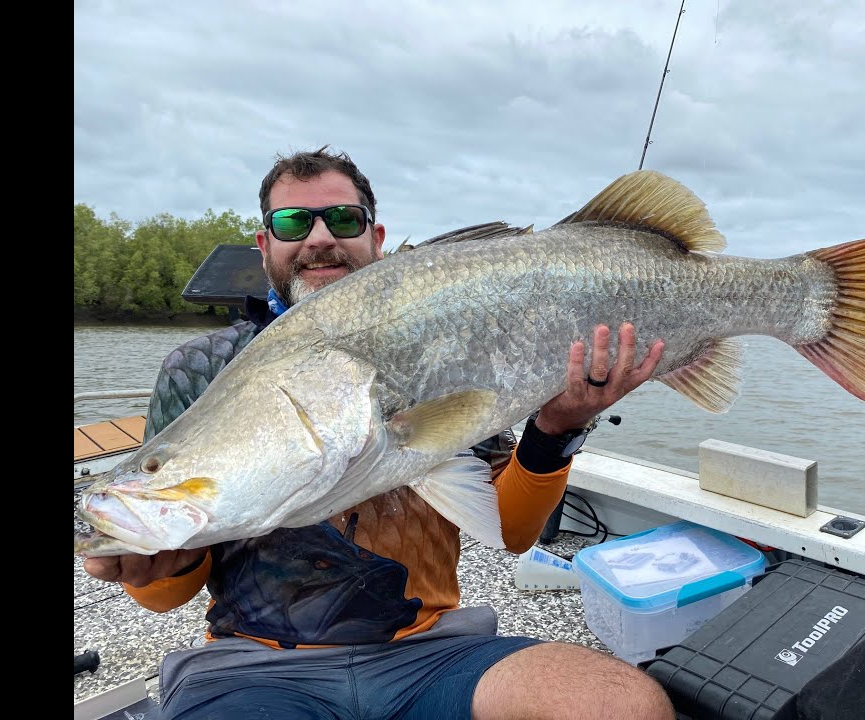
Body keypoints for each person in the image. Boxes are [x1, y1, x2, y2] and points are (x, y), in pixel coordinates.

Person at [82, 146, 676, 720]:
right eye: (292, 222)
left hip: (433, 649)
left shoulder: (450, 331)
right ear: (265, 245)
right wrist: (159, 562)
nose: (319, 238)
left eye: (343, 218)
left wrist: (557, 428)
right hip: (254, 665)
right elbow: (161, 597)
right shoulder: (202, 368)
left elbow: (512, 534)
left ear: (377, 237)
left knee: (618, 704)